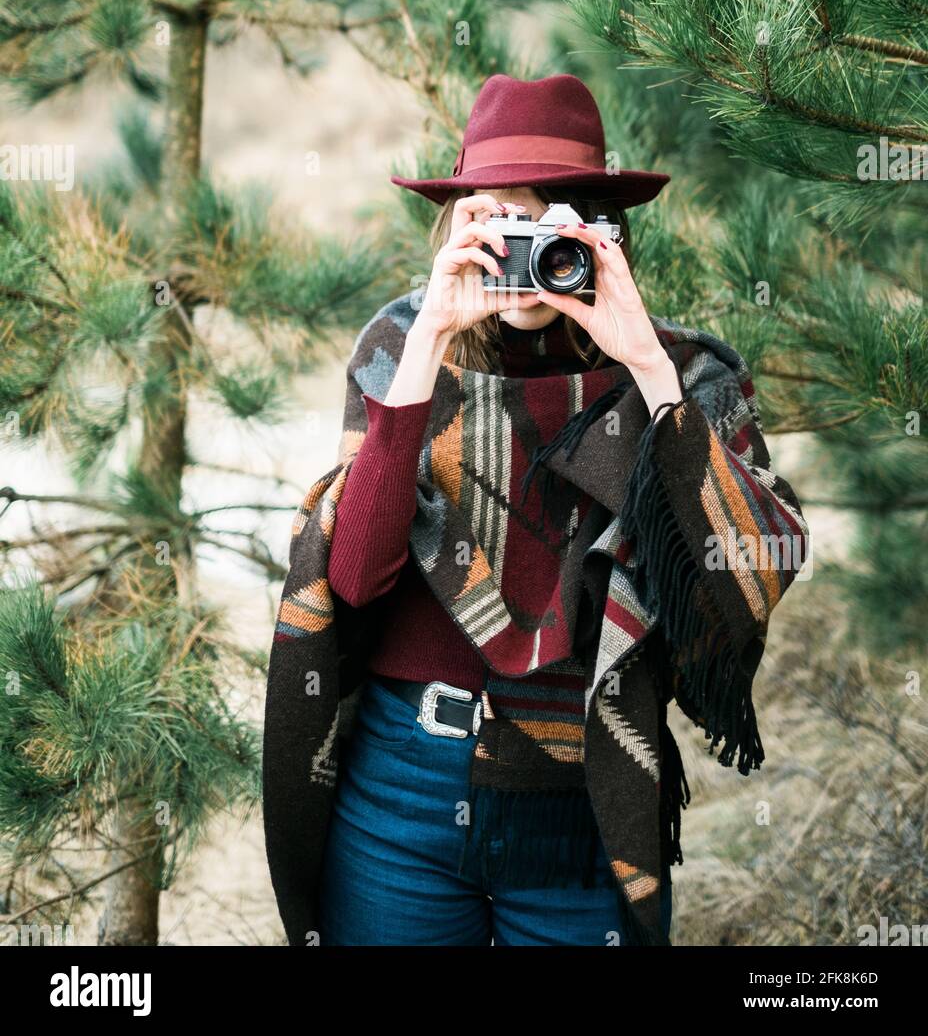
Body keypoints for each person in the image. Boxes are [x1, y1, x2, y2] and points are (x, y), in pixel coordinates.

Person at [263, 73, 809, 947]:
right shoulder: (402, 345)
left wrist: (648, 371)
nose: (520, 248)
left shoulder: (677, 369)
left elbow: (745, 573)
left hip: (583, 787)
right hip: (403, 784)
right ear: (457, 227)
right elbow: (356, 576)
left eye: (547, 221)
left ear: (602, 230)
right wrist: (429, 349)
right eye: (494, 220)